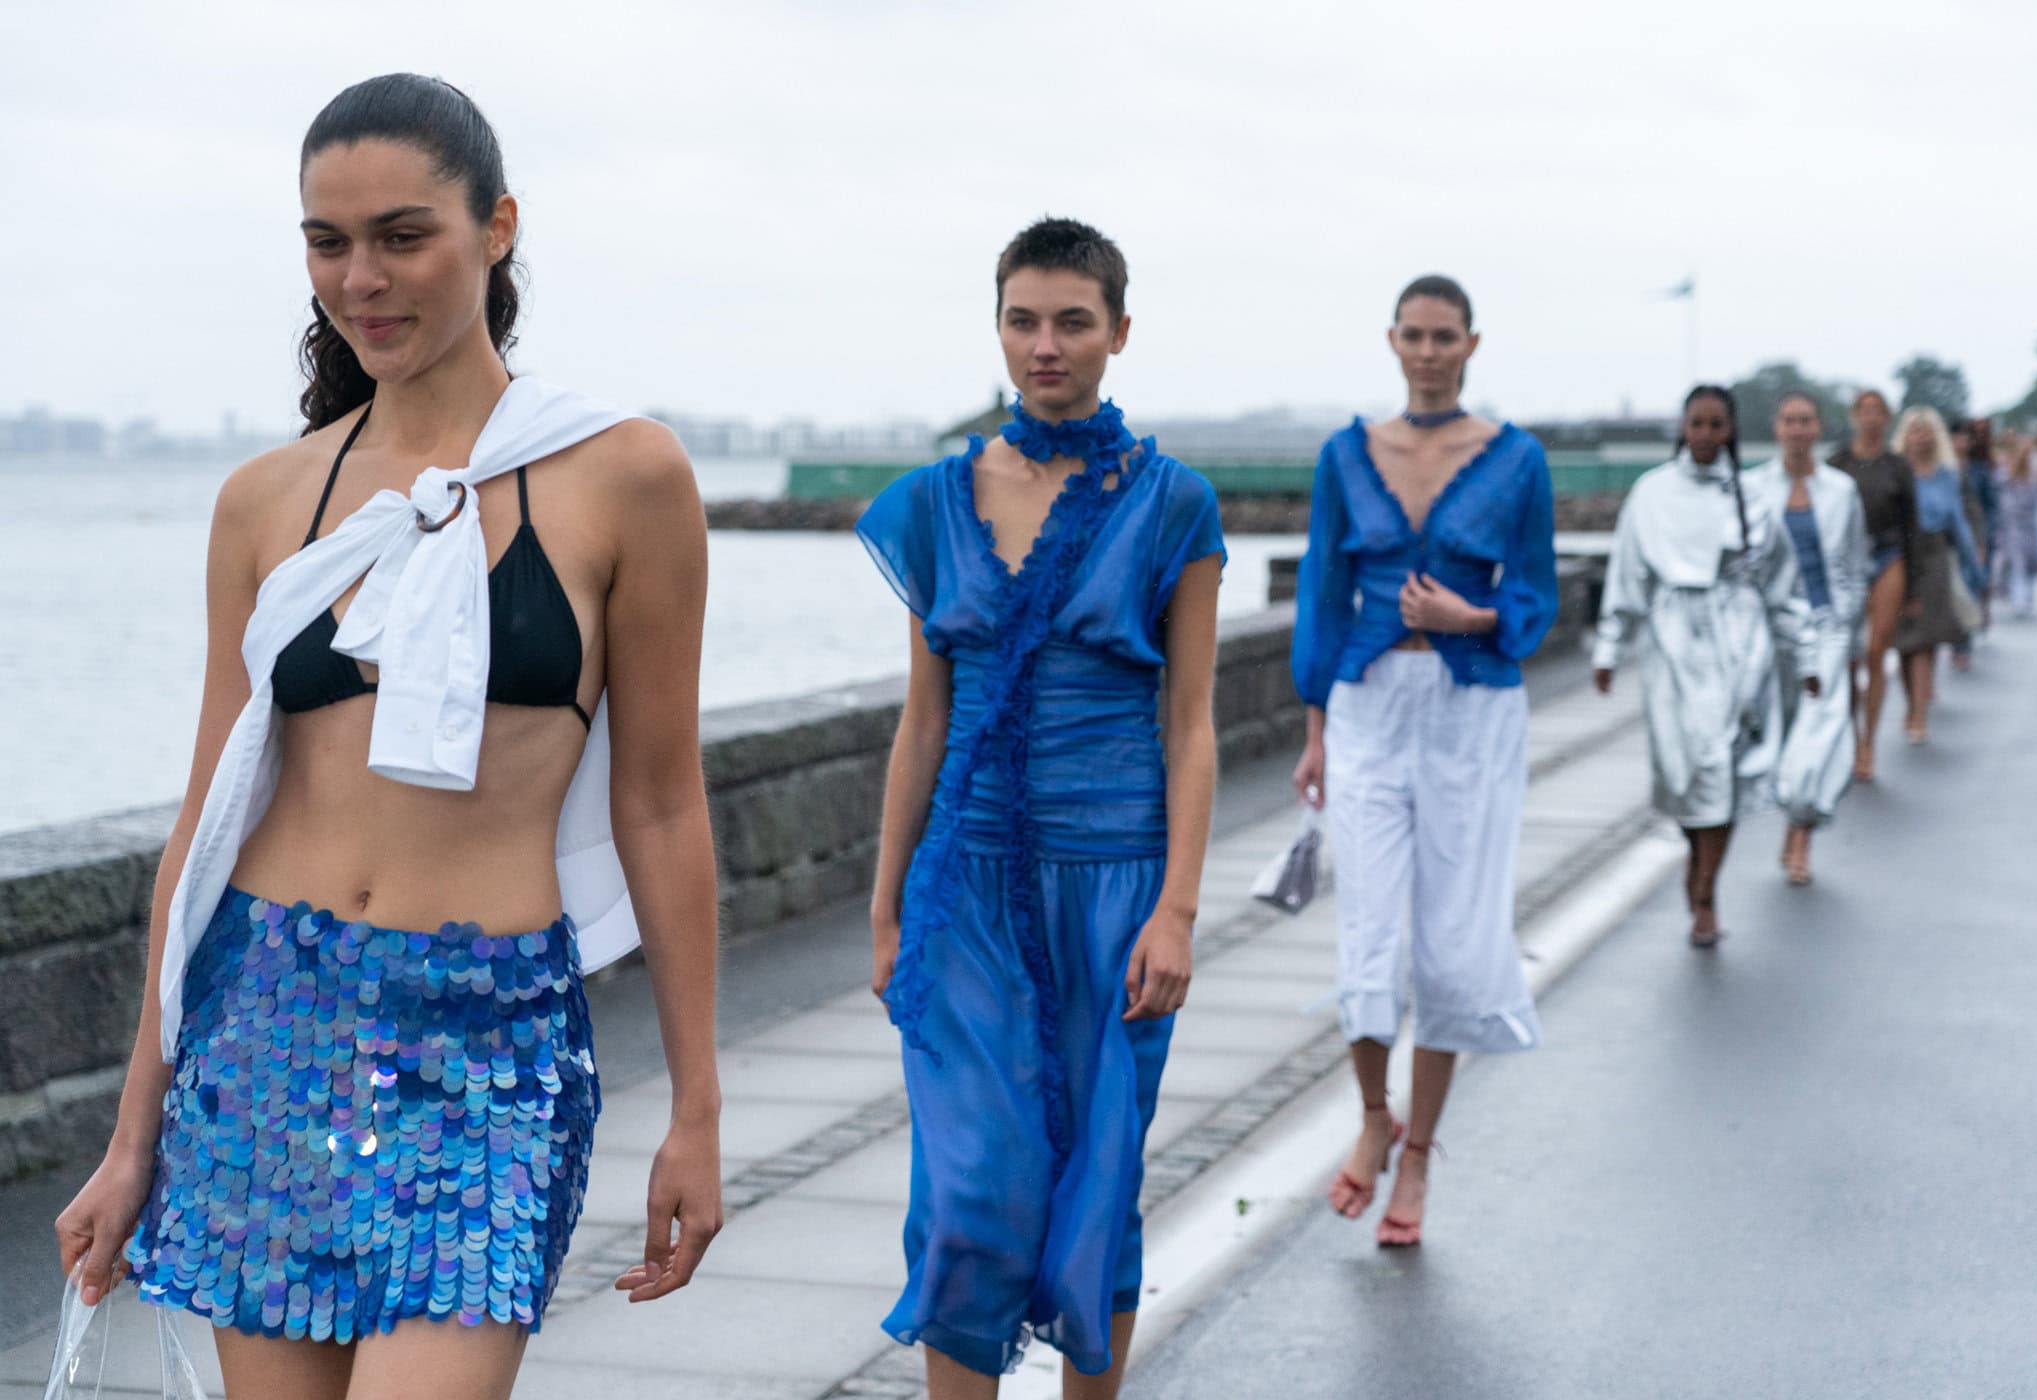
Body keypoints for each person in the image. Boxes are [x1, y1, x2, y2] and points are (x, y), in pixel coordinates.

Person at [53, 75, 723, 1400]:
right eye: (329, 241)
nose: (361, 279)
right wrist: (133, 1137)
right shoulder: (266, 501)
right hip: (267, 1026)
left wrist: (698, 1109)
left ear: (498, 227)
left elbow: (660, 804)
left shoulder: (624, 475)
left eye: (403, 236)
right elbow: (207, 826)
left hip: (489, 1045)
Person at [856, 217, 1224, 1397]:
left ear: (1120, 330)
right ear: (999, 328)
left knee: (1099, 1188)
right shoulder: (934, 502)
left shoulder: (1174, 503)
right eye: (1023, 320)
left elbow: (1191, 724)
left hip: (1116, 881)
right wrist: (886, 909)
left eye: (1073, 320)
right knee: (967, 1194)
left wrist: (1177, 910)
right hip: (962, 889)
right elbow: (922, 721)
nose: (1046, 344)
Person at [1291, 274, 1558, 1249]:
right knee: (1369, 934)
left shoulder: (1516, 457)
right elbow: (1322, 592)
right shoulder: (1346, 453)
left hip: (1471, 709)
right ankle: (1374, 1114)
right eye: (1415, 335)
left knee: (1451, 941)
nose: (1430, 351)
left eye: (1446, 336)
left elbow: (1537, 587)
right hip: (1366, 704)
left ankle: (1418, 1154)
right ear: (1393, 341)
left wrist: (1471, 615)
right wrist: (1314, 729)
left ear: (1471, 344)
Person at [1593, 385, 1817, 946]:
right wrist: (1609, 647)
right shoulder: (1651, 493)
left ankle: (1707, 890)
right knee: (1684, 771)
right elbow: (1627, 573)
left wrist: (1805, 654)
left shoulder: (1751, 495)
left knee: (1724, 766)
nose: (1707, 435)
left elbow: (1783, 585)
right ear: (1683, 427)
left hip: (1739, 642)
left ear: (1731, 430)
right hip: (1671, 643)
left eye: (1718, 425)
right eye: (1697, 423)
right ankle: (1697, 860)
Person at [1751, 395, 1869, 886]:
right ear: (1777, 427)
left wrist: (1846, 623)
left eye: (1806, 421)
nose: (1797, 429)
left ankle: (1801, 837)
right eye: (1789, 421)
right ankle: (1791, 819)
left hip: (1826, 626)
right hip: (1772, 627)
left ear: (1818, 428)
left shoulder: (1841, 490)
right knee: (1785, 730)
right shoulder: (1753, 487)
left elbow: (1855, 563)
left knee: (1818, 731)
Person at [1825, 389, 1918, 782]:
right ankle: (1848, 735)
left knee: (1877, 650)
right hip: (1846, 561)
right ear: (1855, 416)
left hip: (1887, 555)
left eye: (1878, 411)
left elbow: (1912, 524)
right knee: (1847, 657)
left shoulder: (1897, 465)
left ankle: (1869, 743)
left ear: (1887, 418)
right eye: (1864, 411)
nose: (1871, 418)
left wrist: (1914, 586)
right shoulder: (1838, 463)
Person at [1890, 407, 1986, 743]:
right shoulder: (1896, 471)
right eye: (1915, 431)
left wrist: (1975, 566)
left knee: (1926, 638)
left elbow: (1957, 520)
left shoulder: (1947, 474)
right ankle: (1911, 700)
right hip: (1899, 554)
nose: (1921, 438)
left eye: (1926, 431)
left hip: (1934, 556)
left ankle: (1919, 712)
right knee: (1904, 639)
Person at [1952, 417, 1998, 668]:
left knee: (1971, 586)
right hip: (1949, 539)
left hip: (1976, 536)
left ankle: (1963, 642)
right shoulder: (1942, 468)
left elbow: (1989, 506)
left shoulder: (1980, 469)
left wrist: (1985, 537)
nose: (1960, 442)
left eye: (1965, 437)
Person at [1993, 431, 2037, 618]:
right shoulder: (2004, 474)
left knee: (2030, 561)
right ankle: (2017, 596)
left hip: (2029, 525)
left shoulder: (2034, 476)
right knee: (2015, 561)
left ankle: (2025, 594)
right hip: (2011, 525)